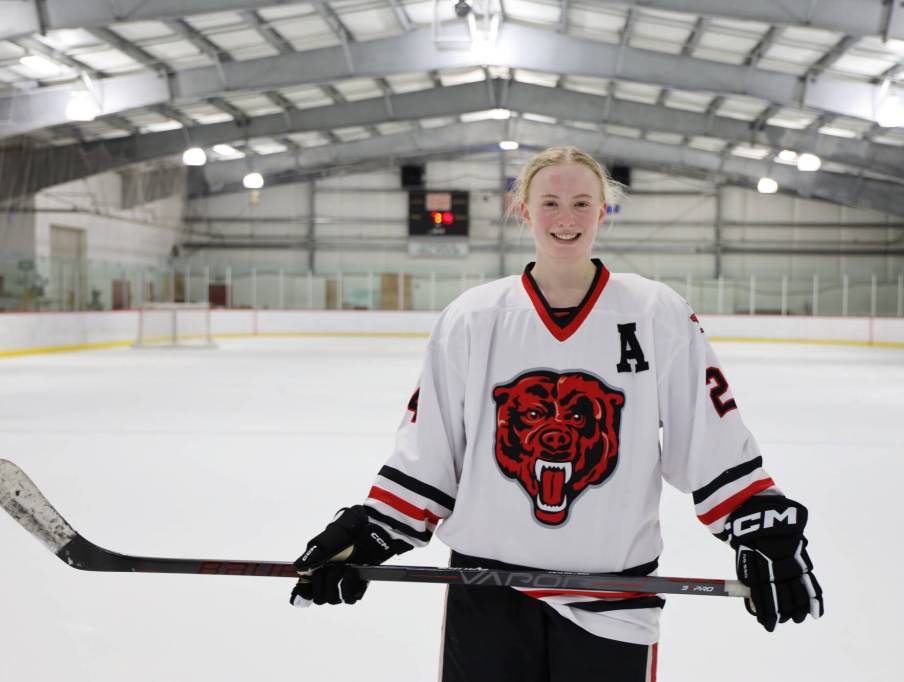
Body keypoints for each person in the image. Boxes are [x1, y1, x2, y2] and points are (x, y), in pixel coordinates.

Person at [290, 146, 823, 681]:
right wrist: (372, 531)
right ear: (524, 209)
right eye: (549, 203)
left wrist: (760, 527)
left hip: (613, 600)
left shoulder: (655, 312)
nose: (566, 219)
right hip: (487, 596)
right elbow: (431, 449)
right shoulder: (473, 318)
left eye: (581, 203)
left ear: (602, 211)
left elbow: (710, 435)